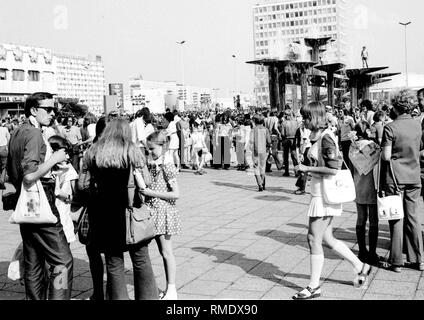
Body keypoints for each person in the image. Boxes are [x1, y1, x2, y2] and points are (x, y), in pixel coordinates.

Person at [293, 102, 371, 300]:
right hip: (321, 192)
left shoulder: (326, 137)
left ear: (315, 117)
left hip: (324, 194)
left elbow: (334, 168)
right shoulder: (318, 136)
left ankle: (313, 286)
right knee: (326, 238)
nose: (304, 121)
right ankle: (360, 265)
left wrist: (306, 169)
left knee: (313, 238)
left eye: (306, 117)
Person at [79, 118, 158, 300]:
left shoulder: (92, 151)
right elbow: (146, 182)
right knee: (141, 260)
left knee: (114, 264)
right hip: (131, 212)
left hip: (103, 215)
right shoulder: (133, 151)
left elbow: (83, 186)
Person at [7, 92, 74, 300]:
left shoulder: (18, 131)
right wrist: (55, 159)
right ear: (34, 110)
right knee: (63, 261)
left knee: (33, 263)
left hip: (25, 204)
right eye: (48, 109)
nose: (53, 113)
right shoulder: (35, 133)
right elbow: (29, 176)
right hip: (41, 200)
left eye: (54, 109)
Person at [380, 97, 424, 273]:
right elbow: (419, 147)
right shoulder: (417, 125)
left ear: (395, 108)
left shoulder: (390, 127)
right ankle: (418, 259)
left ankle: (396, 261)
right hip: (414, 176)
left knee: (396, 217)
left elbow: (386, 156)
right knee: (413, 217)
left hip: (395, 177)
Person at [143, 131, 181, 300]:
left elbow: (176, 194)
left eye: (152, 149)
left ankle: (171, 289)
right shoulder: (155, 162)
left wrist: (151, 192)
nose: (149, 152)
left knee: (166, 252)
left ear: (163, 146)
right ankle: (167, 289)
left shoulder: (167, 165)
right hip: (154, 211)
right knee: (161, 251)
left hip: (164, 211)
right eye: (148, 149)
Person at [350, 121, 380, 266]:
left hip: (358, 185)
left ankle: (362, 250)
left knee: (361, 219)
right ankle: (372, 253)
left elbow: (350, 168)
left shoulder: (353, 147)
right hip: (373, 185)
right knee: (373, 221)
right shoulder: (374, 146)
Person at [49, 135, 78, 244]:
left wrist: (67, 196)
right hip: (56, 214)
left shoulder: (68, 170)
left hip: (61, 213)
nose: (67, 156)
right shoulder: (51, 168)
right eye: (65, 153)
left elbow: (74, 194)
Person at [250, 114, 271, 192]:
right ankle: (263, 183)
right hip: (264, 150)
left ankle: (260, 184)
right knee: (263, 167)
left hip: (255, 151)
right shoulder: (266, 129)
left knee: (256, 167)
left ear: (255, 121)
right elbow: (269, 141)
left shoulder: (253, 130)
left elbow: (251, 141)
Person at [280, 110, 299, 177]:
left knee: (286, 156)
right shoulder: (296, 123)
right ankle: (297, 171)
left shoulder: (284, 123)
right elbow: (298, 133)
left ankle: (286, 171)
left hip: (286, 139)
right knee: (294, 155)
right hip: (294, 139)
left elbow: (282, 133)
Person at [337, 109, 355, 173]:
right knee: (345, 156)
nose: (339, 113)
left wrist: (353, 138)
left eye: (341, 111)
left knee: (350, 155)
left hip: (349, 140)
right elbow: (339, 132)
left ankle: (350, 169)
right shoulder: (338, 120)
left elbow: (353, 128)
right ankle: (346, 170)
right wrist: (339, 142)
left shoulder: (350, 119)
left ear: (344, 112)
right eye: (338, 111)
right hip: (343, 140)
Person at [0, 119, 10, 189]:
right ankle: (1, 182)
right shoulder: (5, 129)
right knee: (4, 167)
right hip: (3, 149)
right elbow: (9, 139)